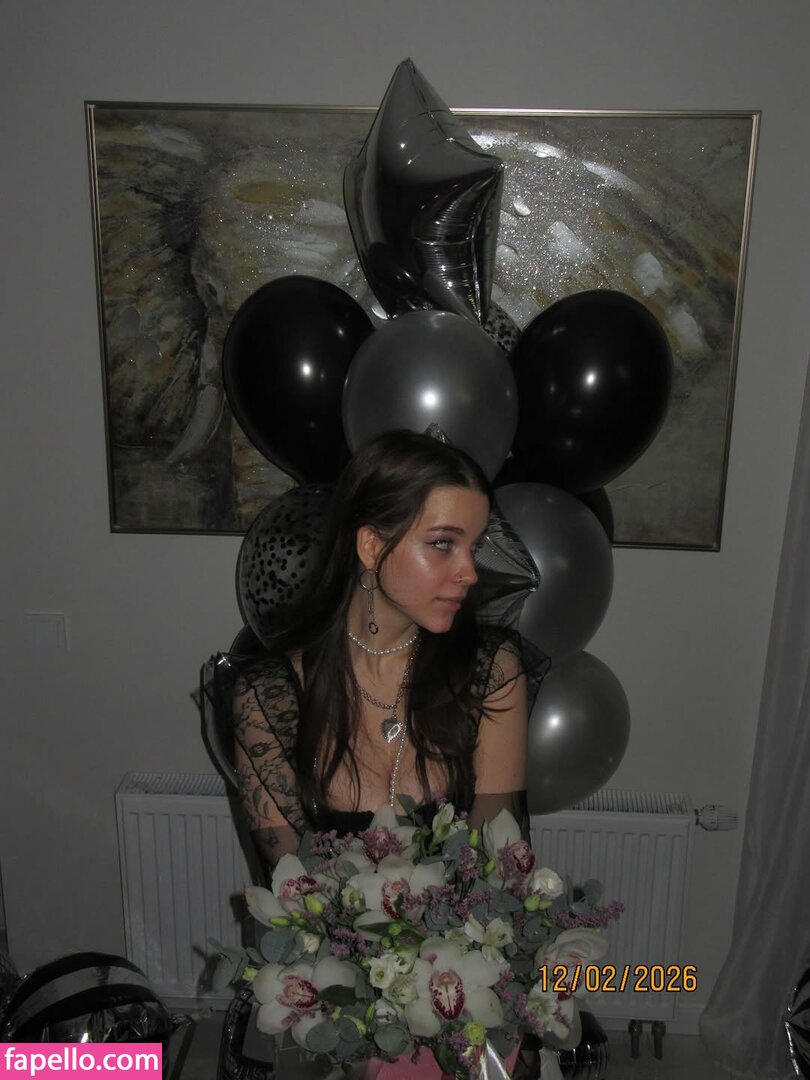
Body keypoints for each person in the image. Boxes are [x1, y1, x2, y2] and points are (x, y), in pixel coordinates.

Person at [232, 430, 547, 876]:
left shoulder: (489, 670)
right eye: (443, 543)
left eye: (473, 547)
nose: (470, 572)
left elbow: (494, 871)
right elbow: (294, 892)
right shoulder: (271, 699)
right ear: (371, 547)